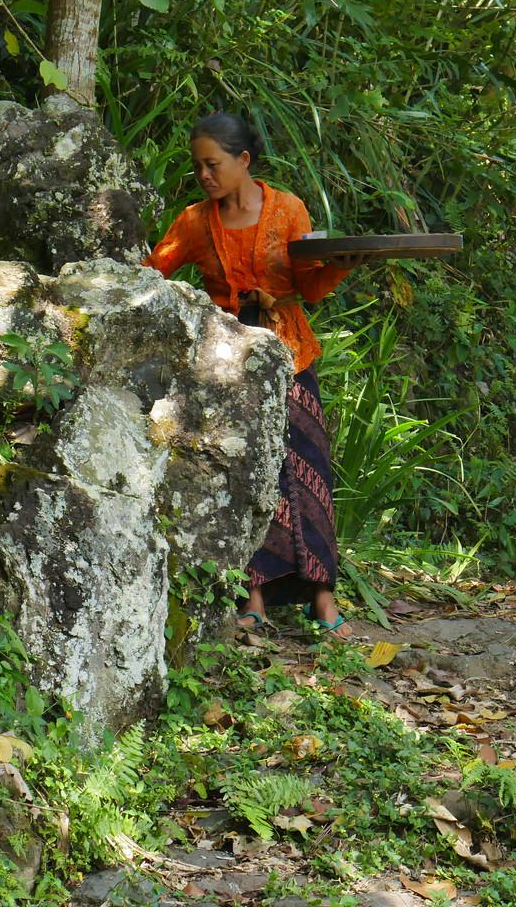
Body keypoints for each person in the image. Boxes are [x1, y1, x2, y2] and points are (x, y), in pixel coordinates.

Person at [145, 112, 362, 638]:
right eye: (197, 166)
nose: (203, 175)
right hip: (223, 362)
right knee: (241, 472)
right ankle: (252, 596)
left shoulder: (288, 210)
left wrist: (341, 263)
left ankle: (323, 598)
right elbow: (154, 273)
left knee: (307, 469)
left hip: (289, 353)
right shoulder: (196, 221)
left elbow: (309, 288)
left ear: (243, 161)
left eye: (213, 163)